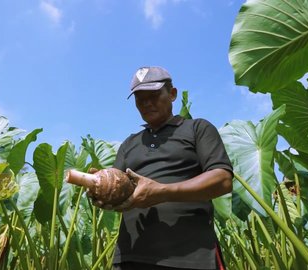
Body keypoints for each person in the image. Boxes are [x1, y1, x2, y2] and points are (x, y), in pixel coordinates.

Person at [92, 66, 233, 270]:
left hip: (191, 256)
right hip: (131, 257)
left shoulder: (197, 129)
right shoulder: (129, 144)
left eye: (155, 95)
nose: (147, 103)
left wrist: (163, 192)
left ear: (173, 94)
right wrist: (100, 188)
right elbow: (119, 193)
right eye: (140, 99)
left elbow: (222, 179)